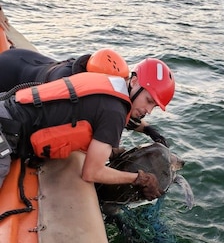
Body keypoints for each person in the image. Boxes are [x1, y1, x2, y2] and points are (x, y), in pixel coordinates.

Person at [0, 58, 175, 197]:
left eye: (155, 107)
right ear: (135, 81)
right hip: (5, 133)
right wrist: (140, 179)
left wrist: (148, 131)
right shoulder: (114, 112)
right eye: (149, 101)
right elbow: (91, 173)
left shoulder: (110, 83)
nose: (149, 111)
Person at [0, 47, 169, 146]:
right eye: (148, 101)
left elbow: (122, 113)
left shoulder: (102, 78)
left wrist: (149, 130)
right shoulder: (70, 90)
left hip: (22, 57)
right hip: (7, 73)